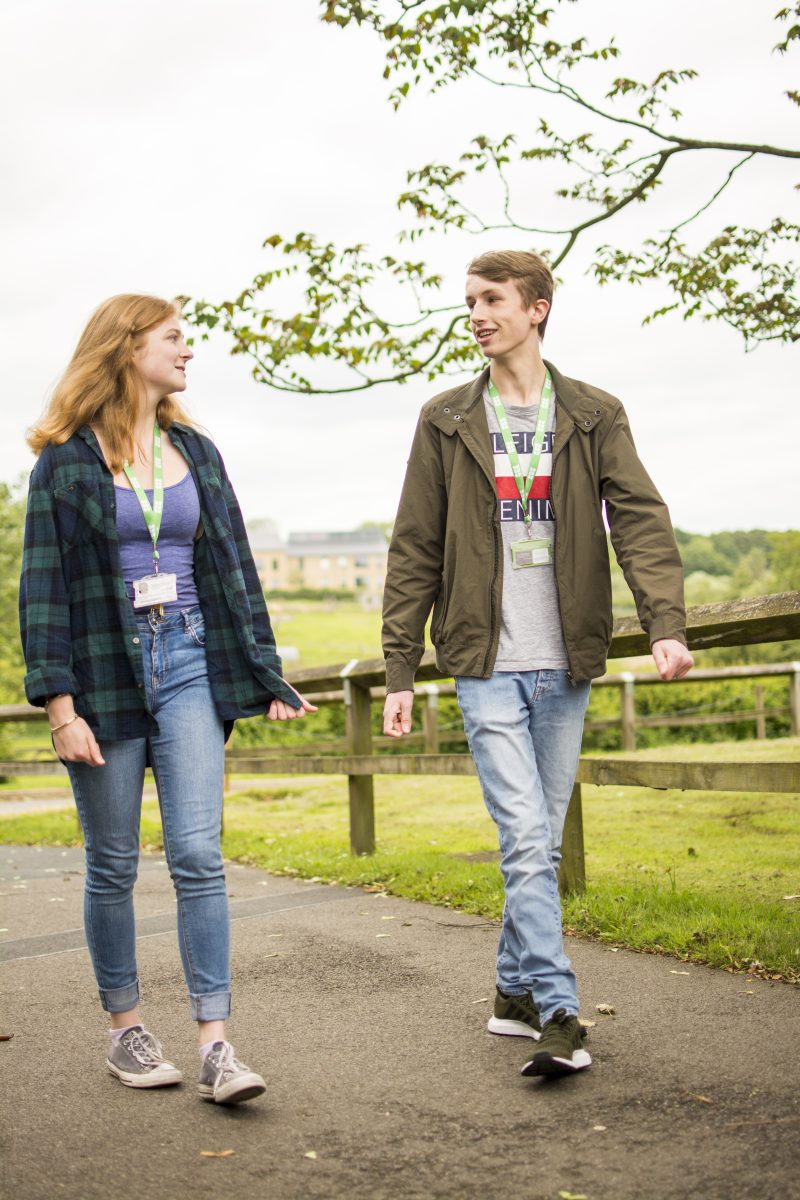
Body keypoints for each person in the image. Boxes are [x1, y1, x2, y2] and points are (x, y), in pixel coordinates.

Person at [382, 251, 693, 1077]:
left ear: (538, 309)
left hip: (567, 661)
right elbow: (414, 547)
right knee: (524, 838)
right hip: (484, 660)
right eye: (471, 302)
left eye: (493, 300)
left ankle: (511, 995)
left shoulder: (592, 414)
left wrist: (665, 622)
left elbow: (639, 519)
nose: (477, 314)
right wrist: (402, 667)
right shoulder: (446, 419)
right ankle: (559, 1010)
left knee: (540, 843)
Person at [19, 294, 317, 1104]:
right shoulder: (66, 461)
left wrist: (265, 670)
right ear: (126, 348)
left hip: (187, 656)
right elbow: (42, 590)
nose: (188, 351)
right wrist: (60, 707)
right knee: (112, 863)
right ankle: (126, 1030)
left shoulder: (197, 450)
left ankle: (217, 1044)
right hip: (105, 666)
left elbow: (234, 570)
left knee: (197, 857)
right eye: (173, 338)